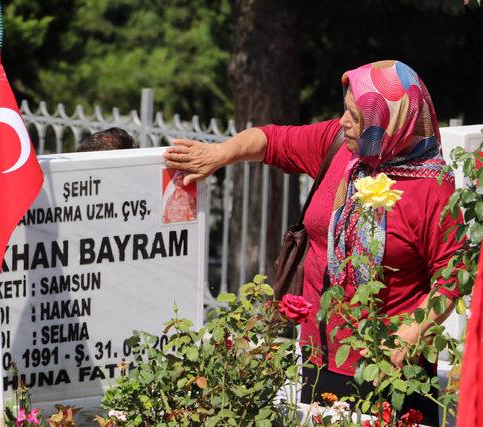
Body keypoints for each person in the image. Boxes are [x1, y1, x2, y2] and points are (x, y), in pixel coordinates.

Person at [163, 60, 462, 425]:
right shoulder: (341, 148)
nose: (342, 122)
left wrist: (410, 334)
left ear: (387, 122)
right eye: (345, 110)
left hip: (391, 369)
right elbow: (271, 140)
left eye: (355, 115)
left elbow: (453, 277)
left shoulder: (433, 188)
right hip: (321, 359)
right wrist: (220, 154)